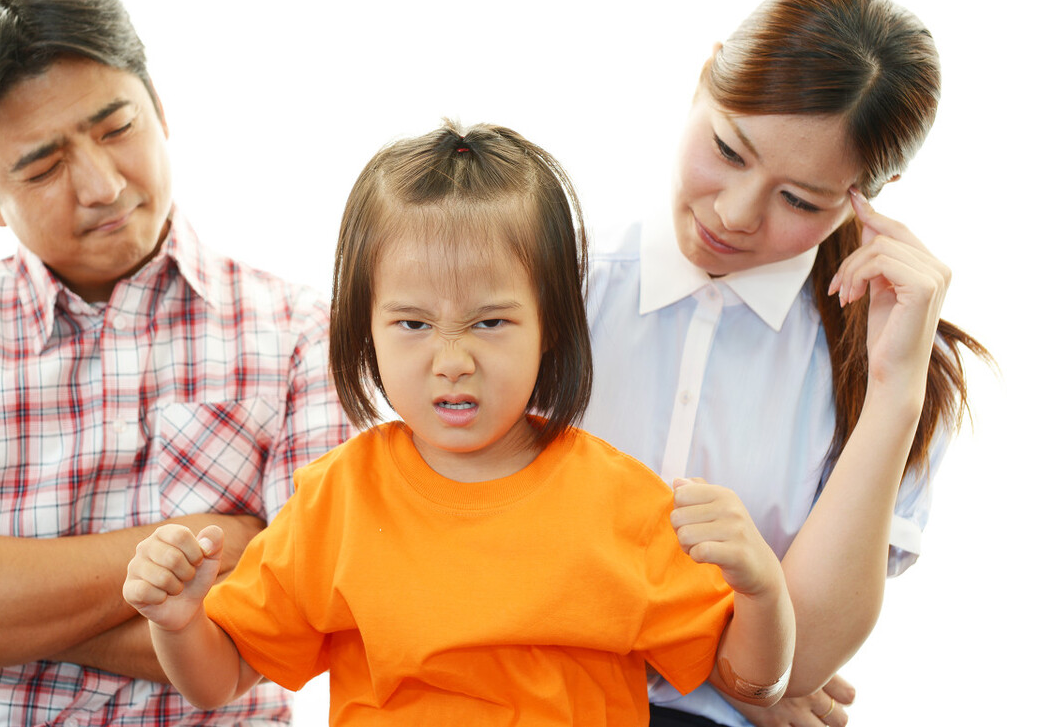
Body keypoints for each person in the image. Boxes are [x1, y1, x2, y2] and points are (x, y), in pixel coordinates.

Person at [124, 121, 796, 724]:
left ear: (550, 327)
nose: (451, 361)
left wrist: (761, 587)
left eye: (490, 322)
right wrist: (178, 621)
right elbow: (224, 677)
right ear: (367, 330)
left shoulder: (623, 500)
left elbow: (751, 681)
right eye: (413, 324)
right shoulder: (338, 498)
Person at [0, 0, 350, 726]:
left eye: (117, 129)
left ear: (160, 108)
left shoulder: (305, 332)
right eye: (44, 167)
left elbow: (295, 620)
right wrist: (213, 550)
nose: (104, 184)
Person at [581, 0, 992, 727]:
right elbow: (453, 532)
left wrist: (894, 393)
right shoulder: (547, 288)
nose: (735, 215)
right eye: (728, 150)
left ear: (870, 192)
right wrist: (727, 658)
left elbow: (799, 664)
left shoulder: (890, 369)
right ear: (704, 76)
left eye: (800, 200)